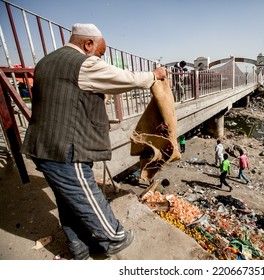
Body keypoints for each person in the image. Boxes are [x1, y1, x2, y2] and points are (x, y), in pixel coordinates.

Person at [21, 23, 167, 260]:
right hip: (65, 147)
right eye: (100, 53)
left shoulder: (45, 62)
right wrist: (153, 76)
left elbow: (66, 99)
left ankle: (79, 248)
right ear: (87, 44)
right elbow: (123, 78)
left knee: (68, 201)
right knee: (86, 194)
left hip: (41, 145)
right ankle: (113, 238)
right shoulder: (82, 63)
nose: (100, 58)